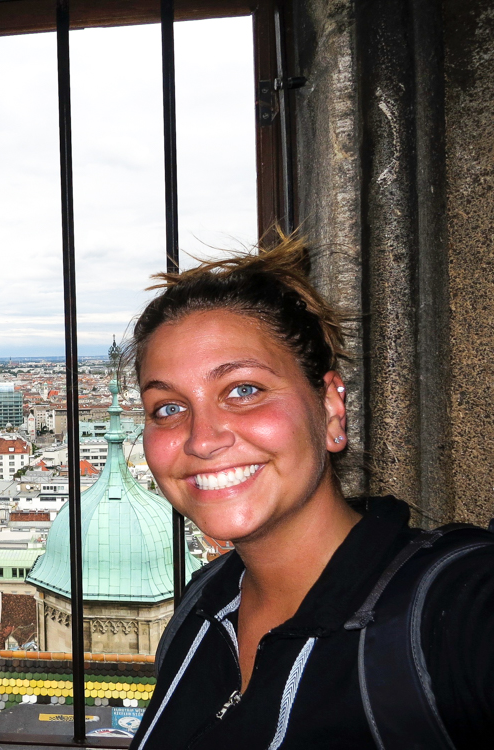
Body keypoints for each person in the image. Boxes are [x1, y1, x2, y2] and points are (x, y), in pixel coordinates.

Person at [126, 236, 494, 749]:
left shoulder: (452, 609)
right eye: (167, 407)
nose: (202, 438)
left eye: (243, 390)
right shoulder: (204, 603)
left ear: (330, 410)